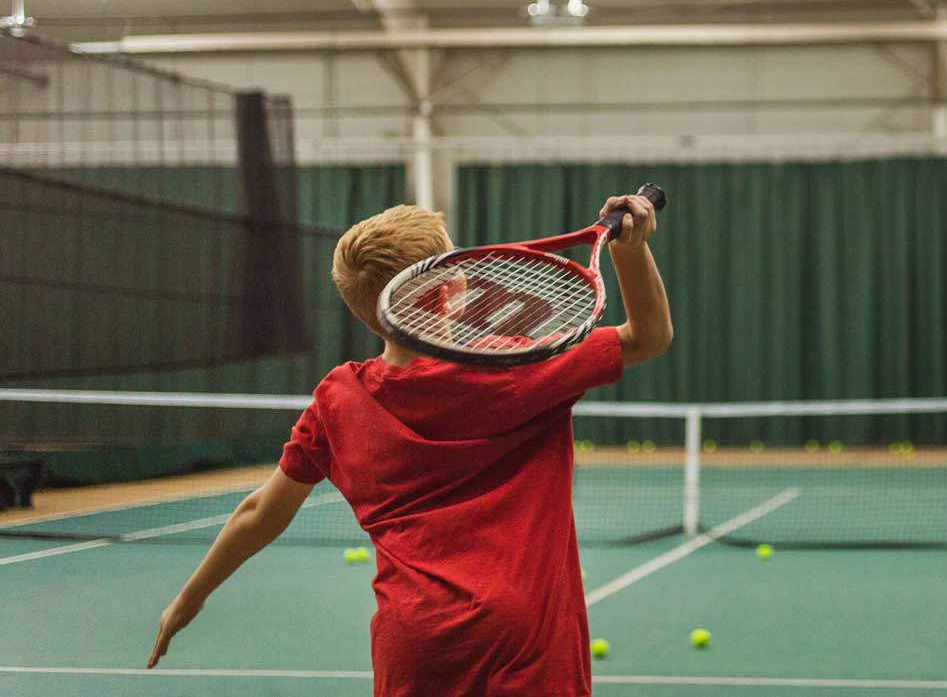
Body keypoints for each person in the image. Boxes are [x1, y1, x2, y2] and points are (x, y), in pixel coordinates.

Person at [147, 192, 672, 696]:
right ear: (444, 290)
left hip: (416, 642)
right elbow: (649, 335)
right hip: (527, 638)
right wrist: (631, 249)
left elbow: (260, 511)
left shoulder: (337, 401)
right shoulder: (521, 364)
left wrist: (189, 599)